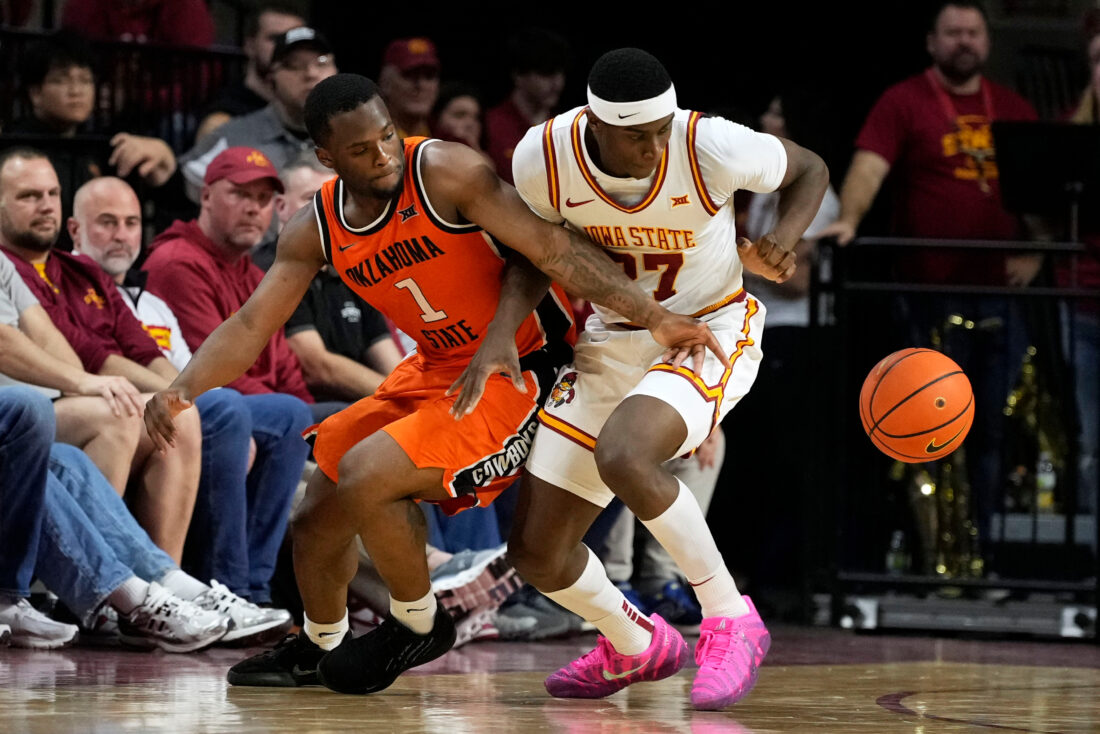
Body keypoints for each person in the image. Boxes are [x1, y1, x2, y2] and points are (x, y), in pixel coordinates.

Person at [142, 72, 744, 696]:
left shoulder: (445, 171)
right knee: (319, 505)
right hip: (433, 366)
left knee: (369, 474)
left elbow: (551, 250)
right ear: (326, 158)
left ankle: (418, 623)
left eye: (387, 136)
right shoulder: (314, 225)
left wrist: (654, 317)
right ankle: (320, 643)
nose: (383, 155)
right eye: (360, 150)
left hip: (519, 365)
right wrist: (181, 389)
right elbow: (251, 324)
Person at [487, 48, 827, 710]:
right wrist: (503, 330)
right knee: (537, 553)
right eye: (638, 136)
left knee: (625, 454)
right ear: (595, 125)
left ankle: (729, 616)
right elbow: (536, 250)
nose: (655, 147)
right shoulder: (543, 156)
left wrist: (783, 238)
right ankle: (634, 642)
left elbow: (810, 167)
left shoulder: (709, 144)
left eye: (660, 130)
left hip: (708, 328)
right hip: (614, 336)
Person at [820, 0, 1040, 550]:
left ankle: (980, 556)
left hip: (1001, 297)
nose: (964, 41)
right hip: (929, 296)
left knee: (992, 428)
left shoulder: (1011, 106)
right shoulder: (904, 100)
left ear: (987, 42)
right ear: (931, 42)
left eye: (973, 32)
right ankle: (932, 555)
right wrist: (850, 219)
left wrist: (1037, 255)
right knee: (928, 428)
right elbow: (870, 166)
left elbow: (1040, 195)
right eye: (953, 32)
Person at [68, 175, 300, 637]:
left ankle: (252, 590)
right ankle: (219, 583)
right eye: (107, 223)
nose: (121, 235)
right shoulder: (69, 282)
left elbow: (178, 365)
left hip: (154, 400)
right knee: (224, 409)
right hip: (100, 405)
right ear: (74, 230)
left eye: (131, 223)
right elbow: (96, 356)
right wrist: (178, 395)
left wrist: (181, 393)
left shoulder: (149, 301)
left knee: (289, 414)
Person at [0, 147, 201, 562]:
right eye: (29, 196)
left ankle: (166, 576)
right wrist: (90, 383)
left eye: (52, 194)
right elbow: (15, 346)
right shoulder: (10, 263)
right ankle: (102, 579)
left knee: (177, 411)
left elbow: (71, 350)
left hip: (55, 406)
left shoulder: (74, 270)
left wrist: (176, 390)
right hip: (21, 414)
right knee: (117, 410)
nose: (46, 206)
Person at [180, 27, 337, 202]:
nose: (311, 73)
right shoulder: (233, 137)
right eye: (293, 65)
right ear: (271, 81)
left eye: (322, 62)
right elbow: (187, 194)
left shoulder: (355, 137)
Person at [195, 2, 307, 141]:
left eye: (295, 40)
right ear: (250, 45)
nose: (285, 47)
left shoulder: (307, 109)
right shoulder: (224, 116)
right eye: (274, 38)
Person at [484, 28, 568, 184]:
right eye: (546, 73)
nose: (557, 83)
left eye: (560, 73)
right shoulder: (490, 126)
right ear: (518, 75)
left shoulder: (566, 129)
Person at [60, 0, 215, 47]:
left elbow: (197, 81)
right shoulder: (83, 6)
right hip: (96, 103)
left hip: (170, 108)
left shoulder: (187, 7)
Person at [378, 38, 440, 138]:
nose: (421, 85)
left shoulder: (452, 141)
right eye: (409, 75)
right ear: (385, 83)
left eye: (429, 76)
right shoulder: (365, 140)